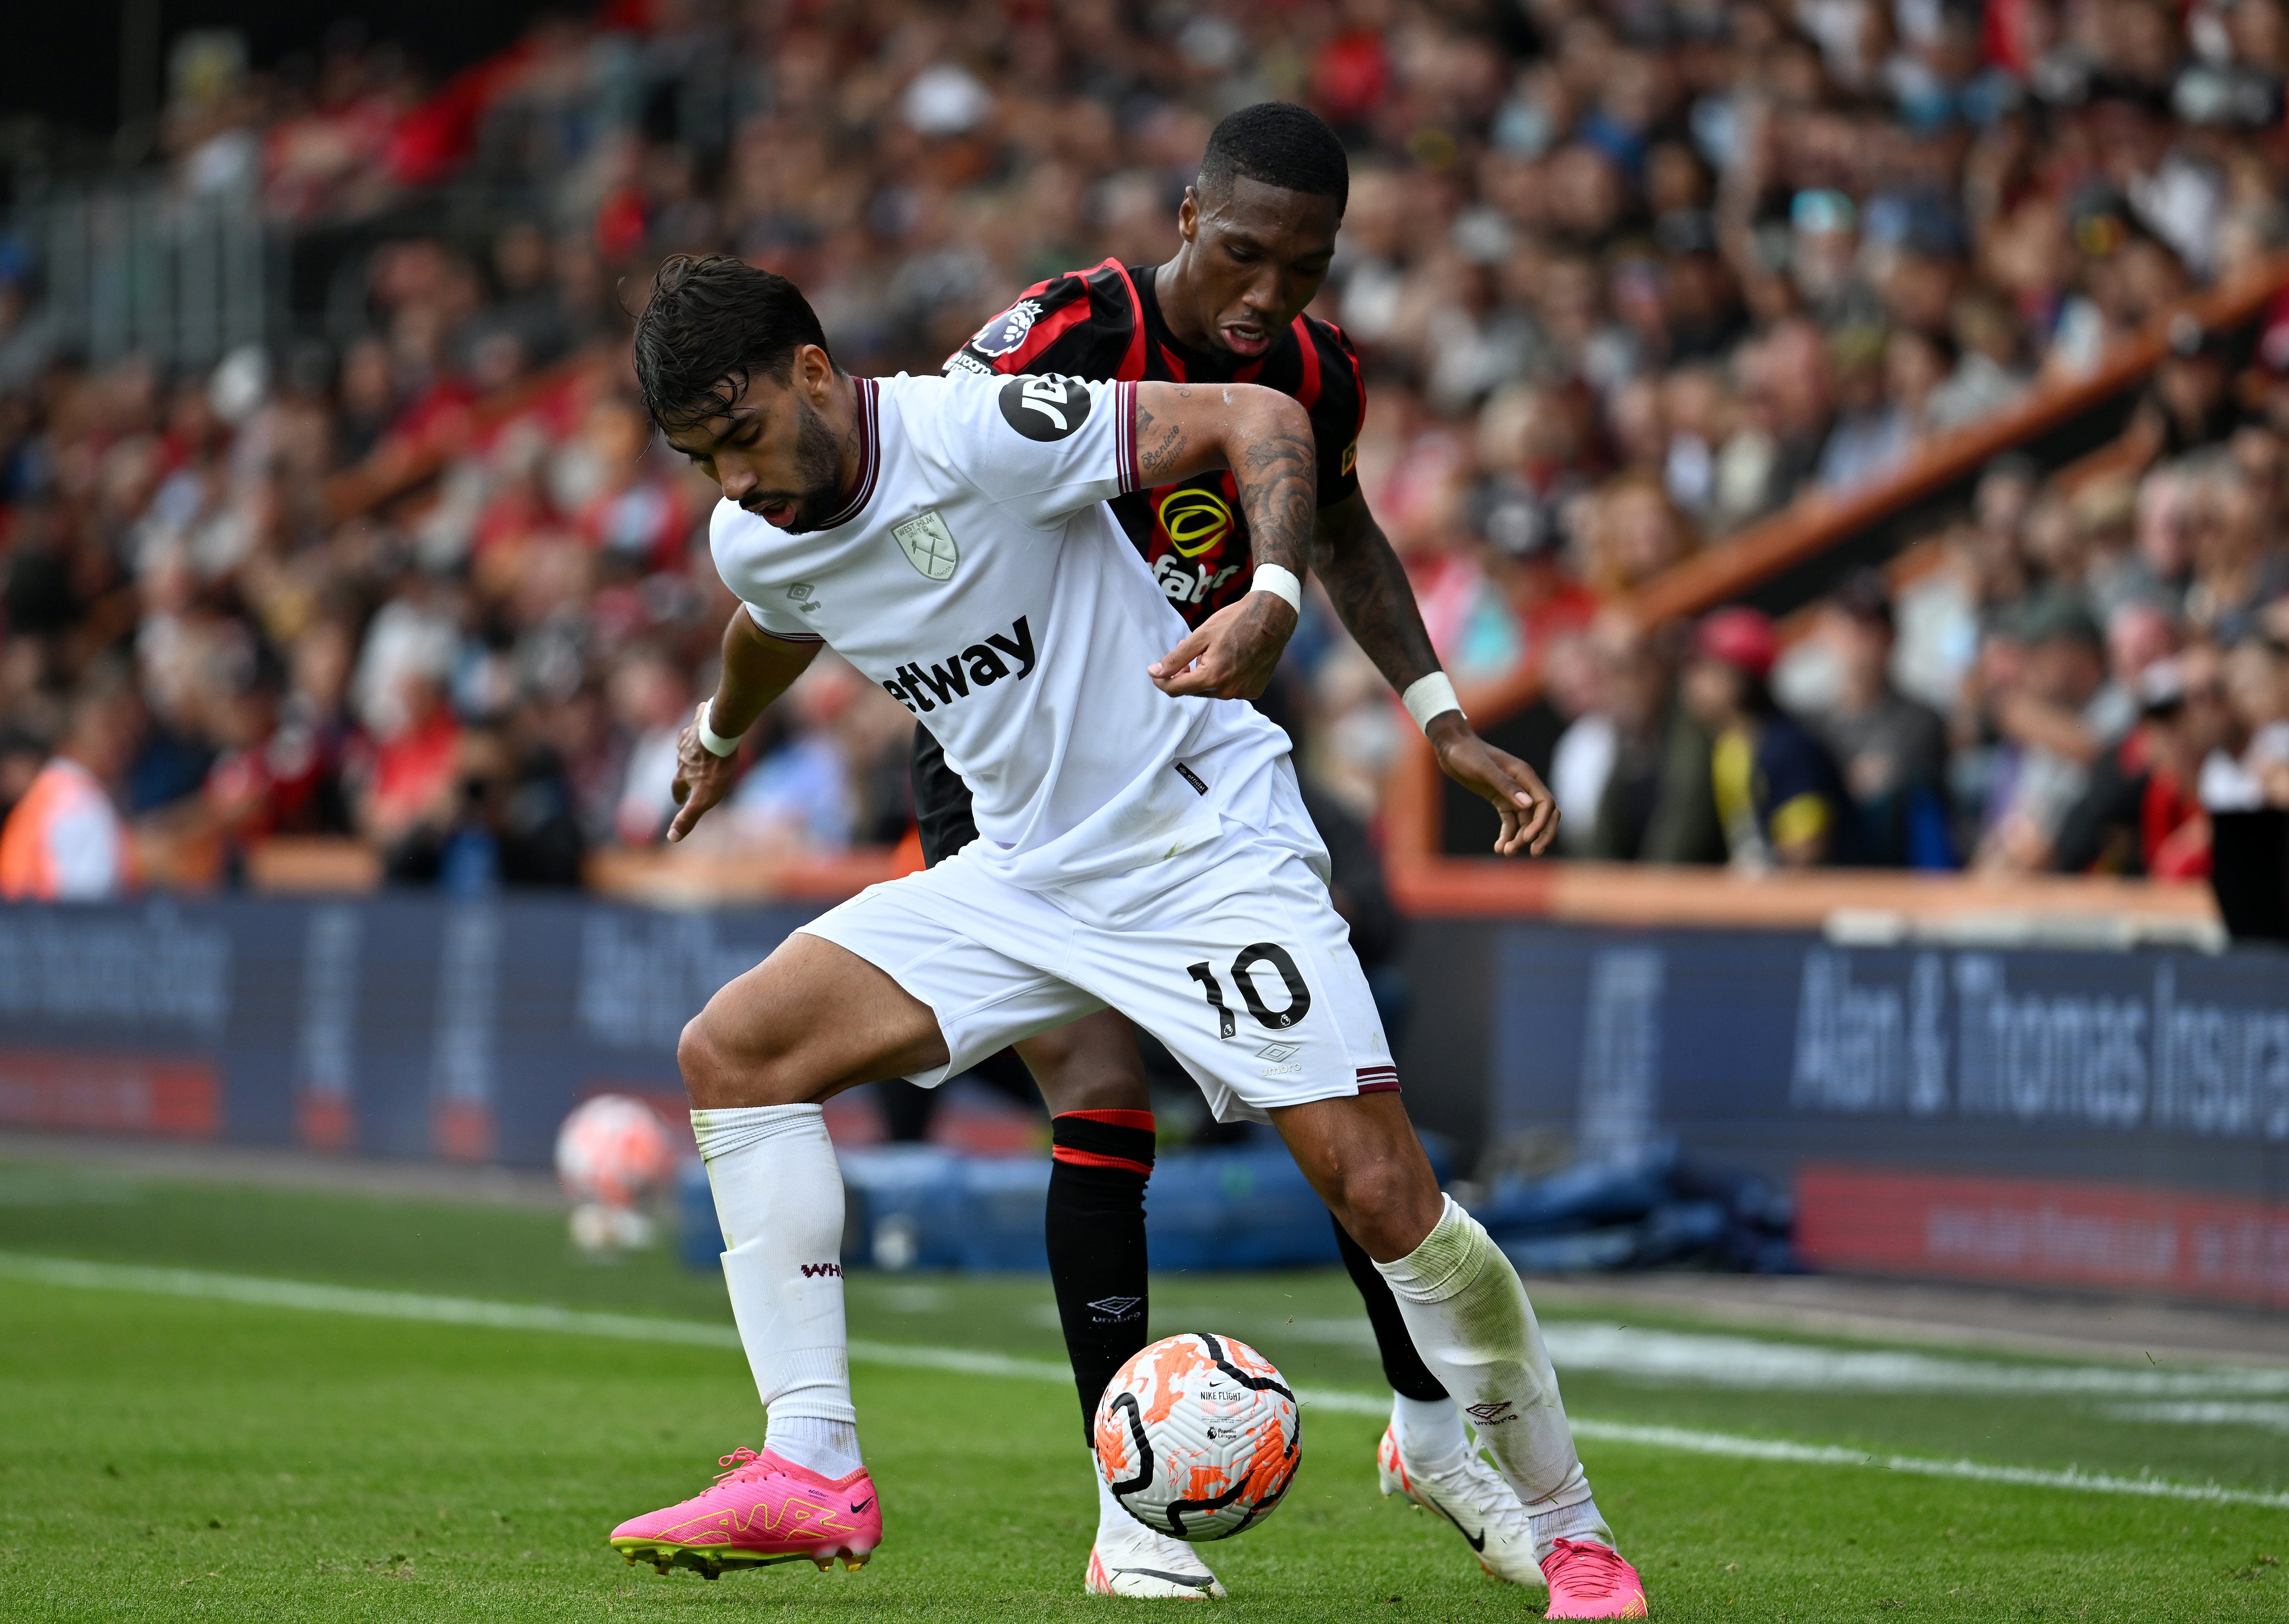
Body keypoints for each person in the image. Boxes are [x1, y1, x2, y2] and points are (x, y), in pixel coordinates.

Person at [601, 255, 1649, 1622]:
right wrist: (719, 737)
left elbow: (1259, 426)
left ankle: (1572, 1531)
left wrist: (1268, 596)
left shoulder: (975, 430)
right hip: (1027, 873)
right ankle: (811, 1465)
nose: (728, 481)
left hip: (1201, 845)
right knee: (733, 1053)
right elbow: (769, 619)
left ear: (812, 374)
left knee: (1386, 1200)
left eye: (737, 438)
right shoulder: (756, 528)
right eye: (697, 459)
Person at [921, 105, 1571, 1597]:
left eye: (1307, 264)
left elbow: (1344, 533)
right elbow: (917, 472)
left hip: (1200, 777)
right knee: (1097, 1090)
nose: (1268, 292)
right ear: (1188, 210)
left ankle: (1428, 1430)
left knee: (1337, 1108)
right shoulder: (1073, 328)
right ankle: (1128, 1504)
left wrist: (1444, 716)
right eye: (1243, 252)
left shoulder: (1317, 370)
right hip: (1011, 771)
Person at [1680, 608, 1857, 869]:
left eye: (1703, 669)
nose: (1691, 683)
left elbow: (1805, 856)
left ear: (1739, 679)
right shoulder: (1730, 746)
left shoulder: (1789, 749)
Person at [0, 678, 141, 902]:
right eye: (109, 730)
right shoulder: (79, 803)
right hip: (46, 933)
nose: (122, 742)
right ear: (73, 739)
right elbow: (87, 910)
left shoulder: (49, 789)